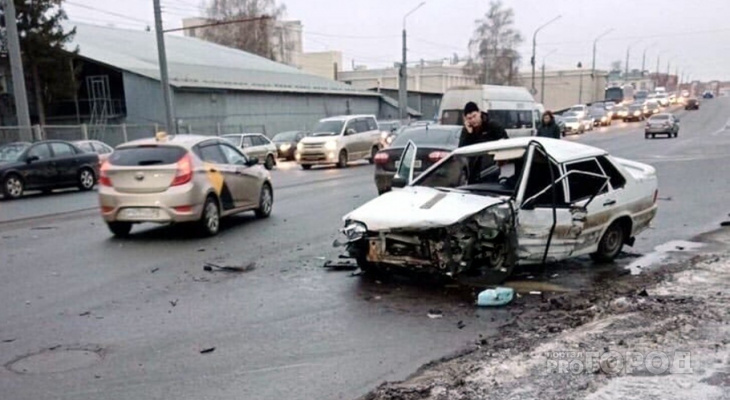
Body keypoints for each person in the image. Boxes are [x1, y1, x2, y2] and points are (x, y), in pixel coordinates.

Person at [458, 102, 508, 185]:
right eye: (469, 118)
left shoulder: (492, 126)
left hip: (492, 170)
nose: (473, 120)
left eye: (474, 116)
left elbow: (505, 142)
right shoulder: (467, 131)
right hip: (473, 172)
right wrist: (469, 134)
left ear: (479, 113)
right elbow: (462, 150)